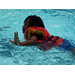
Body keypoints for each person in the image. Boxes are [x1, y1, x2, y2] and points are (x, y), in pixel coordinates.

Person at [9, 15, 75, 54]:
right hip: (62, 41)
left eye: (25, 24)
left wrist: (20, 44)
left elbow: (33, 41)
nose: (23, 26)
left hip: (59, 44)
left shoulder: (33, 32)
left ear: (33, 26)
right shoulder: (39, 32)